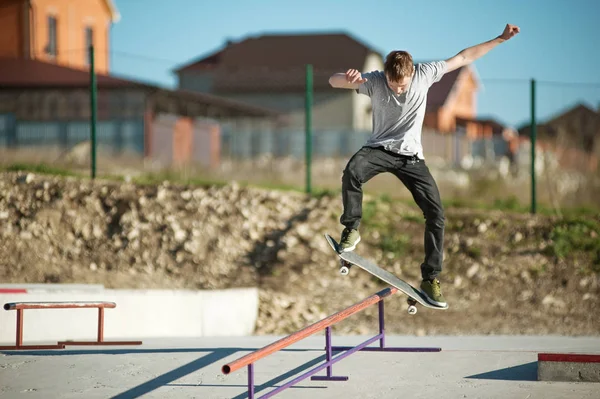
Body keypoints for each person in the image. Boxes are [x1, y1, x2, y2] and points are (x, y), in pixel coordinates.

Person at [328, 24, 520, 307]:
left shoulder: (426, 73)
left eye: (403, 84)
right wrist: (347, 77)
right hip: (379, 149)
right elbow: (333, 82)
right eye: (394, 84)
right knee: (352, 171)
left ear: (412, 73)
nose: (399, 89)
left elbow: (464, 57)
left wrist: (500, 39)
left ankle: (431, 279)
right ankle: (352, 228)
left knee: (436, 214)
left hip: (412, 159)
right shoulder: (376, 80)